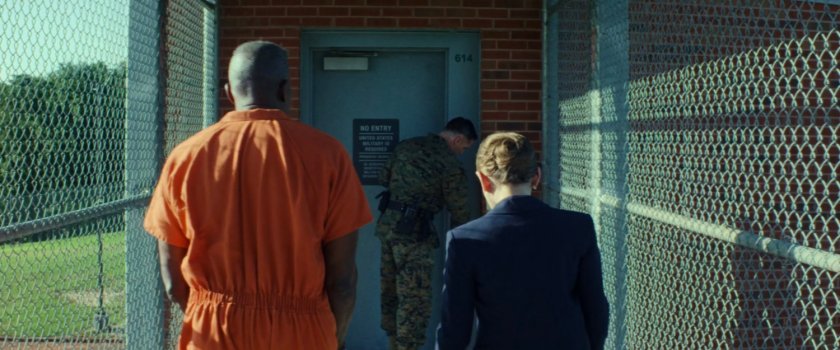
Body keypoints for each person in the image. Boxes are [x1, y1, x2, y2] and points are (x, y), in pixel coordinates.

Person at [144, 41, 372, 349]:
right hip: (302, 333)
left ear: (229, 93)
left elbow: (173, 284)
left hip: (213, 331)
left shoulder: (185, 157)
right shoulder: (328, 155)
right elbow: (342, 283)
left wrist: (212, 314)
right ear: (285, 90)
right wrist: (334, 338)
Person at [437, 132, 610, 350]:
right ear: (536, 176)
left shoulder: (464, 240)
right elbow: (596, 309)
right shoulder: (578, 227)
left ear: (484, 181)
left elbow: (454, 328)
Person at [376, 117, 477, 350]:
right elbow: (460, 212)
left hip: (388, 228)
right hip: (414, 235)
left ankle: (393, 344)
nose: (462, 152)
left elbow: (383, 177)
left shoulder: (406, 146)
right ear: (457, 139)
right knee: (414, 300)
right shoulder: (449, 164)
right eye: (464, 147)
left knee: (390, 292)